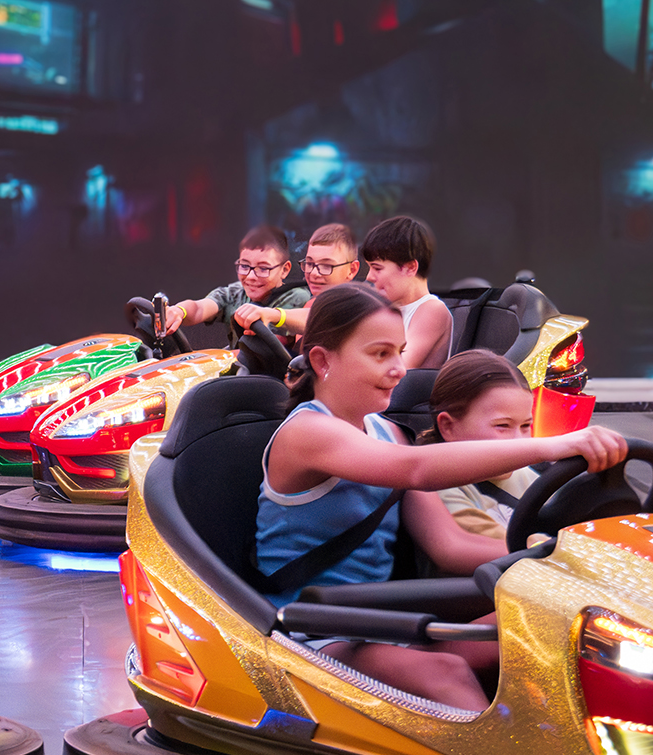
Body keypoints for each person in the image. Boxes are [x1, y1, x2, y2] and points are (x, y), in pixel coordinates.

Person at [256, 283, 625, 710]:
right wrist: (556, 445)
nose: (399, 369)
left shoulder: (387, 431)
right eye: (381, 354)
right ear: (323, 360)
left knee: (543, 626)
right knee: (444, 671)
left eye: (400, 351)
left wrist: (566, 557)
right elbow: (417, 469)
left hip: (384, 621)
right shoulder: (308, 432)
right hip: (313, 632)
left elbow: (449, 544)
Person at [418, 350, 538, 541]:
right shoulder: (440, 487)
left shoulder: (530, 477)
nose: (519, 442)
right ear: (448, 426)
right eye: (503, 426)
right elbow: (486, 541)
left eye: (526, 426)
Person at [165, 225, 310, 344]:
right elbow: (199, 308)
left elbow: (281, 342)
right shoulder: (235, 293)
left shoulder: (298, 298)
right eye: (245, 267)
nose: (251, 277)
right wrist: (179, 311)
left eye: (264, 268)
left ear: (284, 270)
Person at [233, 223, 360, 336]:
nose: (314, 273)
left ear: (352, 270)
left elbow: (323, 318)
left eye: (326, 266)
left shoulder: (354, 306)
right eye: (310, 264)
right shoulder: (311, 303)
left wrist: (273, 315)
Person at [361, 215, 452, 369]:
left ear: (410, 268)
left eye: (377, 268)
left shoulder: (433, 310)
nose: (369, 276)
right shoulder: (387, 309)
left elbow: (396, 368)